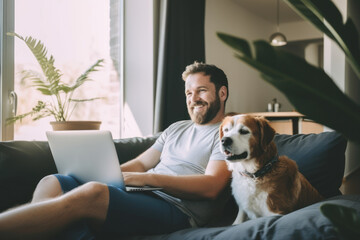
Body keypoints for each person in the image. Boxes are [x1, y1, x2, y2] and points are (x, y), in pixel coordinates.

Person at [0, 62, 231, 239]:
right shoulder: (176, 128)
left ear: (222, 93)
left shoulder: (229, 133)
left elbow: (212, 187)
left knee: (93, 193)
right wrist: (106, 173)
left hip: (178, 210)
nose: (194, 99)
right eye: (189, 93)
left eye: (201, 91)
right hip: (143, 196)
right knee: (54, 181)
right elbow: (141, 163)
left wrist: (148, 179)